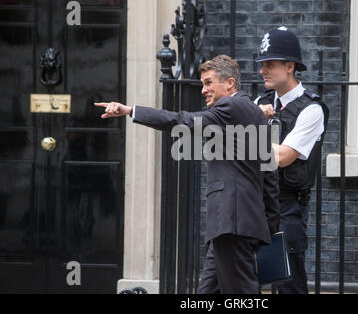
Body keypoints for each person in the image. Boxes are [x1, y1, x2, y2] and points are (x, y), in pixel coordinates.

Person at [95, 55, 280, 294]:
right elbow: (270, 172)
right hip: (239, 222)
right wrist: (270, 225)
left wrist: (130, 110)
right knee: (206, 293)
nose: (204, 90)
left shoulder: (230, 106)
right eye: (203, 83)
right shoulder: (255, 113)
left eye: (209, 83)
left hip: (231, 221)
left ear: (230, 83)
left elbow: (183, 121)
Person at [254, 27, 329, 294]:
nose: (262, 70)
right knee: (251, 281)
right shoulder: (260, 102)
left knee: (288, 286)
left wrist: (247, 141)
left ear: (289, 66)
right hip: (258, 204)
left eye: (270, 64)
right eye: (262, 64)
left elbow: (284, 157)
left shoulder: (311, 109)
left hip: (287, 207)